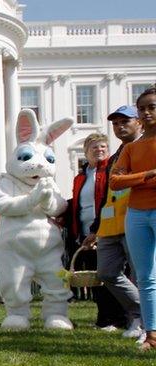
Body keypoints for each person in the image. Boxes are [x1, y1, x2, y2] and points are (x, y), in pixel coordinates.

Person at [83, 106, 144, 340]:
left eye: (125, 121)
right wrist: (95, 229)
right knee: (107, 273)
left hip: (136, 219)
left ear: (138, 122)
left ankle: (143, 323)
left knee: (141, 274)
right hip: (109, 225)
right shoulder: (115, 156)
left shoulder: (145, 148)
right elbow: (106, 195)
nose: (120, 126)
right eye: (116, 123)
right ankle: (140, 313)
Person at [66, 133, 128, 331]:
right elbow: (77, 205)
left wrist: (99, 230)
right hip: (85, 234)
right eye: (94, 147)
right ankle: (104, 318)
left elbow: (105, 202)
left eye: (103, 147)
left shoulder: (111, 171)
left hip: (107, 231)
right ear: (86, 152)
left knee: (110, 275)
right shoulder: (80, 177)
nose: (99, 150)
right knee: (96, 277)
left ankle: (117, 319)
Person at [110, 87, 156, 350]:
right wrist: (147, 175)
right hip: (137, 214)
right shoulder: (131, 148)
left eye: (152, 107)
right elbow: (116, 182)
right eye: (142, 109)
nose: (147, 112)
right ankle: (151, 334)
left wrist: (135, 179)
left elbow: (123, 179)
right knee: (145, 277)